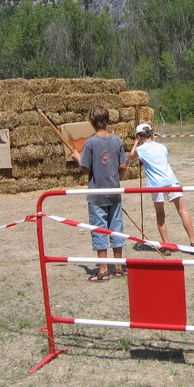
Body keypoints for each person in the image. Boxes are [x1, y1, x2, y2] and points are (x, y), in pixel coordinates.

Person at [71, 105, 128, 282]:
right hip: (114, 193)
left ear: (92, 122)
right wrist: (116, 179)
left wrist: (77, 158)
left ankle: (103, 269)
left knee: (99, 229)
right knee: (116, 229)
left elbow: (86, 169)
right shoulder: (117, 140)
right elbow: (123, 166)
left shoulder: (90, 143)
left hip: (97, 195)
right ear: (107, 120)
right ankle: (118, 267)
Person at [130, 123, 194, 254]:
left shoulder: (140, 150)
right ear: (152, 134)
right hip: (171, 181)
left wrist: (136, 143)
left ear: (138, 136)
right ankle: (193, 242)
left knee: (160, 214)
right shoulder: (162, 147)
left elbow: (131, 155)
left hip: (155, 184)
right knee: (183, 210)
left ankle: (166, 245)